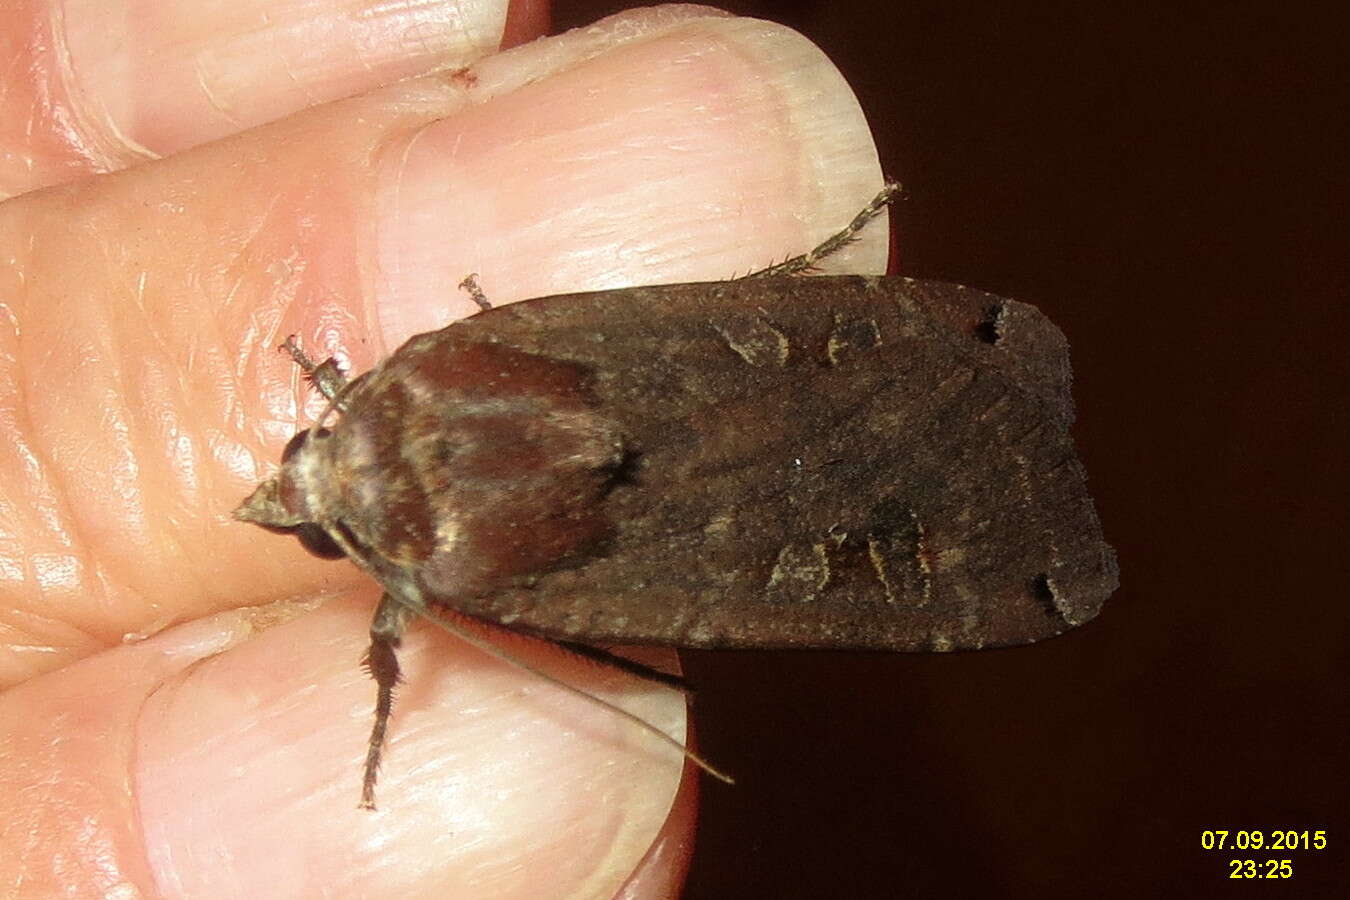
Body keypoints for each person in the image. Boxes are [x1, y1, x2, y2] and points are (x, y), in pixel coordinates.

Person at [0, 2, 888, 895]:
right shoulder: (435, 375)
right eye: (314, 502)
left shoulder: (449, 557)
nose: (274, 500)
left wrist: (394, 720)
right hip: (737, 410)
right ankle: (820, 277)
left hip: (739, 530)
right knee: (683, 333)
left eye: (318, 447)